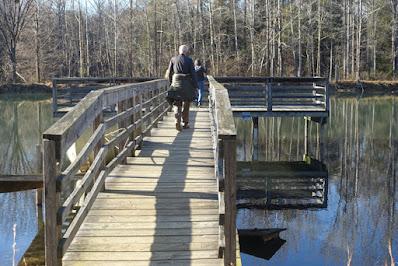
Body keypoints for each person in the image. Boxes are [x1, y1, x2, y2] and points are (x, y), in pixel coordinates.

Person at [166, 44, 198, 131]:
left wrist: (170, 84)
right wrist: (196, 86)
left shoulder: (173, 59)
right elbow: (193, 74)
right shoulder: (189, 60)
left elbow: (169, 73)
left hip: (175, 81)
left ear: (179, 51)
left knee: (177, 101)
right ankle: (185, 122)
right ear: (186, 51)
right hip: (186, 82)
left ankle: (177, 118)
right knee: (186, 102)